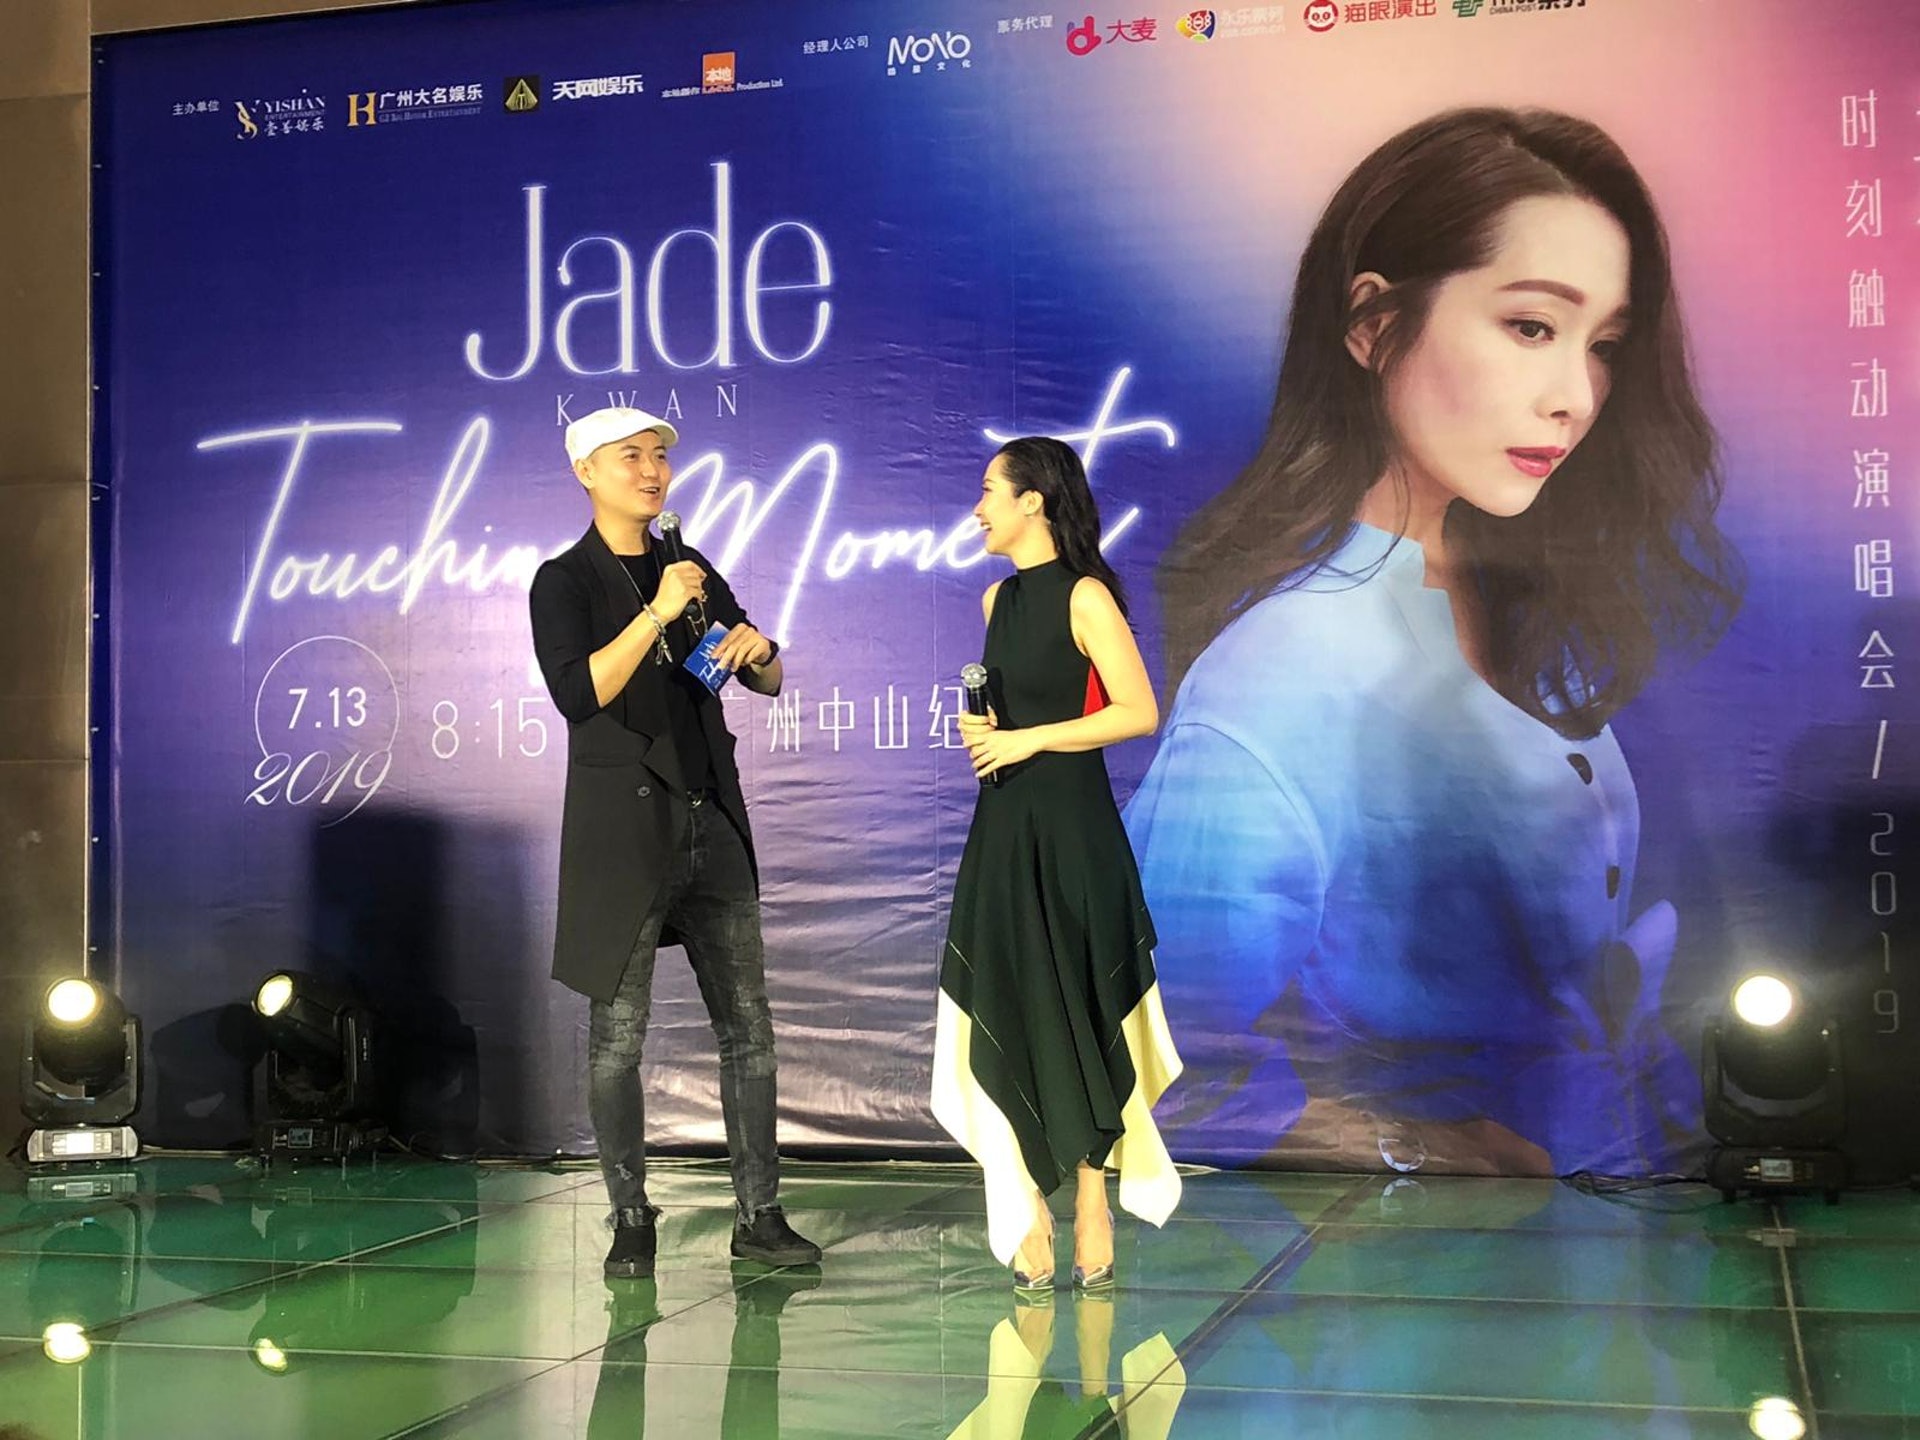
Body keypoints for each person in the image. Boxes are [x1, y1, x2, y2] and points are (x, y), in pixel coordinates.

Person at [1124, 108, 1742, 1178]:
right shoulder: (1281, 672)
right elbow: (1155, 1047)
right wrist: (1410, 1147)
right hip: (1439, 1261)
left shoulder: (1534, 628)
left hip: (1621, 1222)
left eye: (1602, 347)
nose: (1575, 398)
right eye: (1532, 327)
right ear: (1372, 325)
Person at [529, 406, 821, 1277]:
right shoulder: (564, 581)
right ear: (587, 471)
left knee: (749, 1028)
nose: (652, 470)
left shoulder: (690, 567)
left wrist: (758, 650)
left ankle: (759, 1215)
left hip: (710, 820)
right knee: (618, 1038)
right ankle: (630, 1214)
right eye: (631, 456)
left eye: (659, 455)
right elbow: (580, 694)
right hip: (624, 833)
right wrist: (656, 613)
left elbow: (766, 677)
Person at [932, 436, 1183, 1294]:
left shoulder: (1085, 596)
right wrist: (989, 733)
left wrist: (1028, 738)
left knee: (1077, 1003)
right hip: (1004, 828)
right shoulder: (995, 599)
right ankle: (1026, 1202)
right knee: (1012, 998)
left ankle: (1093, 1198)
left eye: (989, 491)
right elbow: (1010, 720)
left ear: (1033, 501)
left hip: (1074, 830)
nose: (978, 509)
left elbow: (1138, 711)